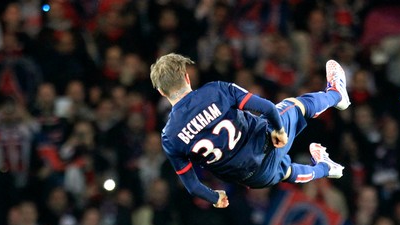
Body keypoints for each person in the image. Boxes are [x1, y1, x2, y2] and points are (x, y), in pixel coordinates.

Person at [150, 53, 350, 208]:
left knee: (285, 171)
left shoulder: (169, 137)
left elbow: (193, 186)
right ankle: (336, 95)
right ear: (187, 77)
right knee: (293, 105)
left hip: (251, 179)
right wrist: (279, 130)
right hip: (265, 143)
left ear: (161, 92)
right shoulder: (215, 90)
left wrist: (215, 197)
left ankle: (326, 169)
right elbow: (267, 108)